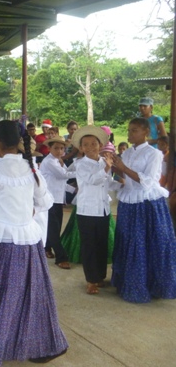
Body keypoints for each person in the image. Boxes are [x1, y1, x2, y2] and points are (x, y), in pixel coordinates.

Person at [0, 120, 67, 365]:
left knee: (4, 294)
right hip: (30, 241)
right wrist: (28, 209)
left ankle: (1, 345)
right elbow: (45, 202)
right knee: (33, 293)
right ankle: (43, 343)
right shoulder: (32, 168)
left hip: (7, 241)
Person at [111, 117, 176, 303]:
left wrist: (123, 167)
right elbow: (124, 176)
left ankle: (150, 284)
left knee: (144, 242)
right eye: (129, 130)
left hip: (146, 203)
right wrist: (114, 166)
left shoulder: (153, 154)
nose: (130, 134)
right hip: (128, 200)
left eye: (134, 130)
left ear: (146, 132)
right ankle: (129, 282)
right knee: (128, 240)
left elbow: (148, 181)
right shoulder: (127, 152)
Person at [71, 126, 121, 295]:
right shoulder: (80, 164)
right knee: (89, 246)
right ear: (81, 148)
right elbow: (93, 180)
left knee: (101, 244)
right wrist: (107, 168)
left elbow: (107, 183)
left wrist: (122, 185)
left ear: (100, 145)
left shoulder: (103, 162)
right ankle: (91, 280)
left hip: (103, 210)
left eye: (94, 143)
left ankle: (100, 276)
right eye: (86, 144)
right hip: (87, 211)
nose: (91, 147)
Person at [39, 136, 76, 269]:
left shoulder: (58, 161)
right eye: (56, 148)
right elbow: (64, 175)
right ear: (49, 148)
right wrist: (83, 171)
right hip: (50, 199)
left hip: (58, 199)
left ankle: (47, 248)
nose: (59, 151)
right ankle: (61, 257)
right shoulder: (49, 161)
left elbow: (62, 180)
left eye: (62, 148)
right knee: (54, 229)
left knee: (55, 226)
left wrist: (73, 190)